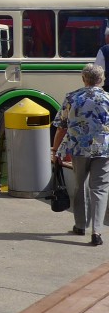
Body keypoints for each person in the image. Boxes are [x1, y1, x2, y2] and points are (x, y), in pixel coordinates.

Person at [51, 63, 109, 246]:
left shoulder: (72, 97)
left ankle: (80, 225)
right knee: (100, 188)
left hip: (78, 148)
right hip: (103, 149)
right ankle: (97, 232)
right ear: (101, 79)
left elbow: (61, 127)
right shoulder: (107, 98)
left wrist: (55, 150)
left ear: (84, 79)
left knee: (80, 185)